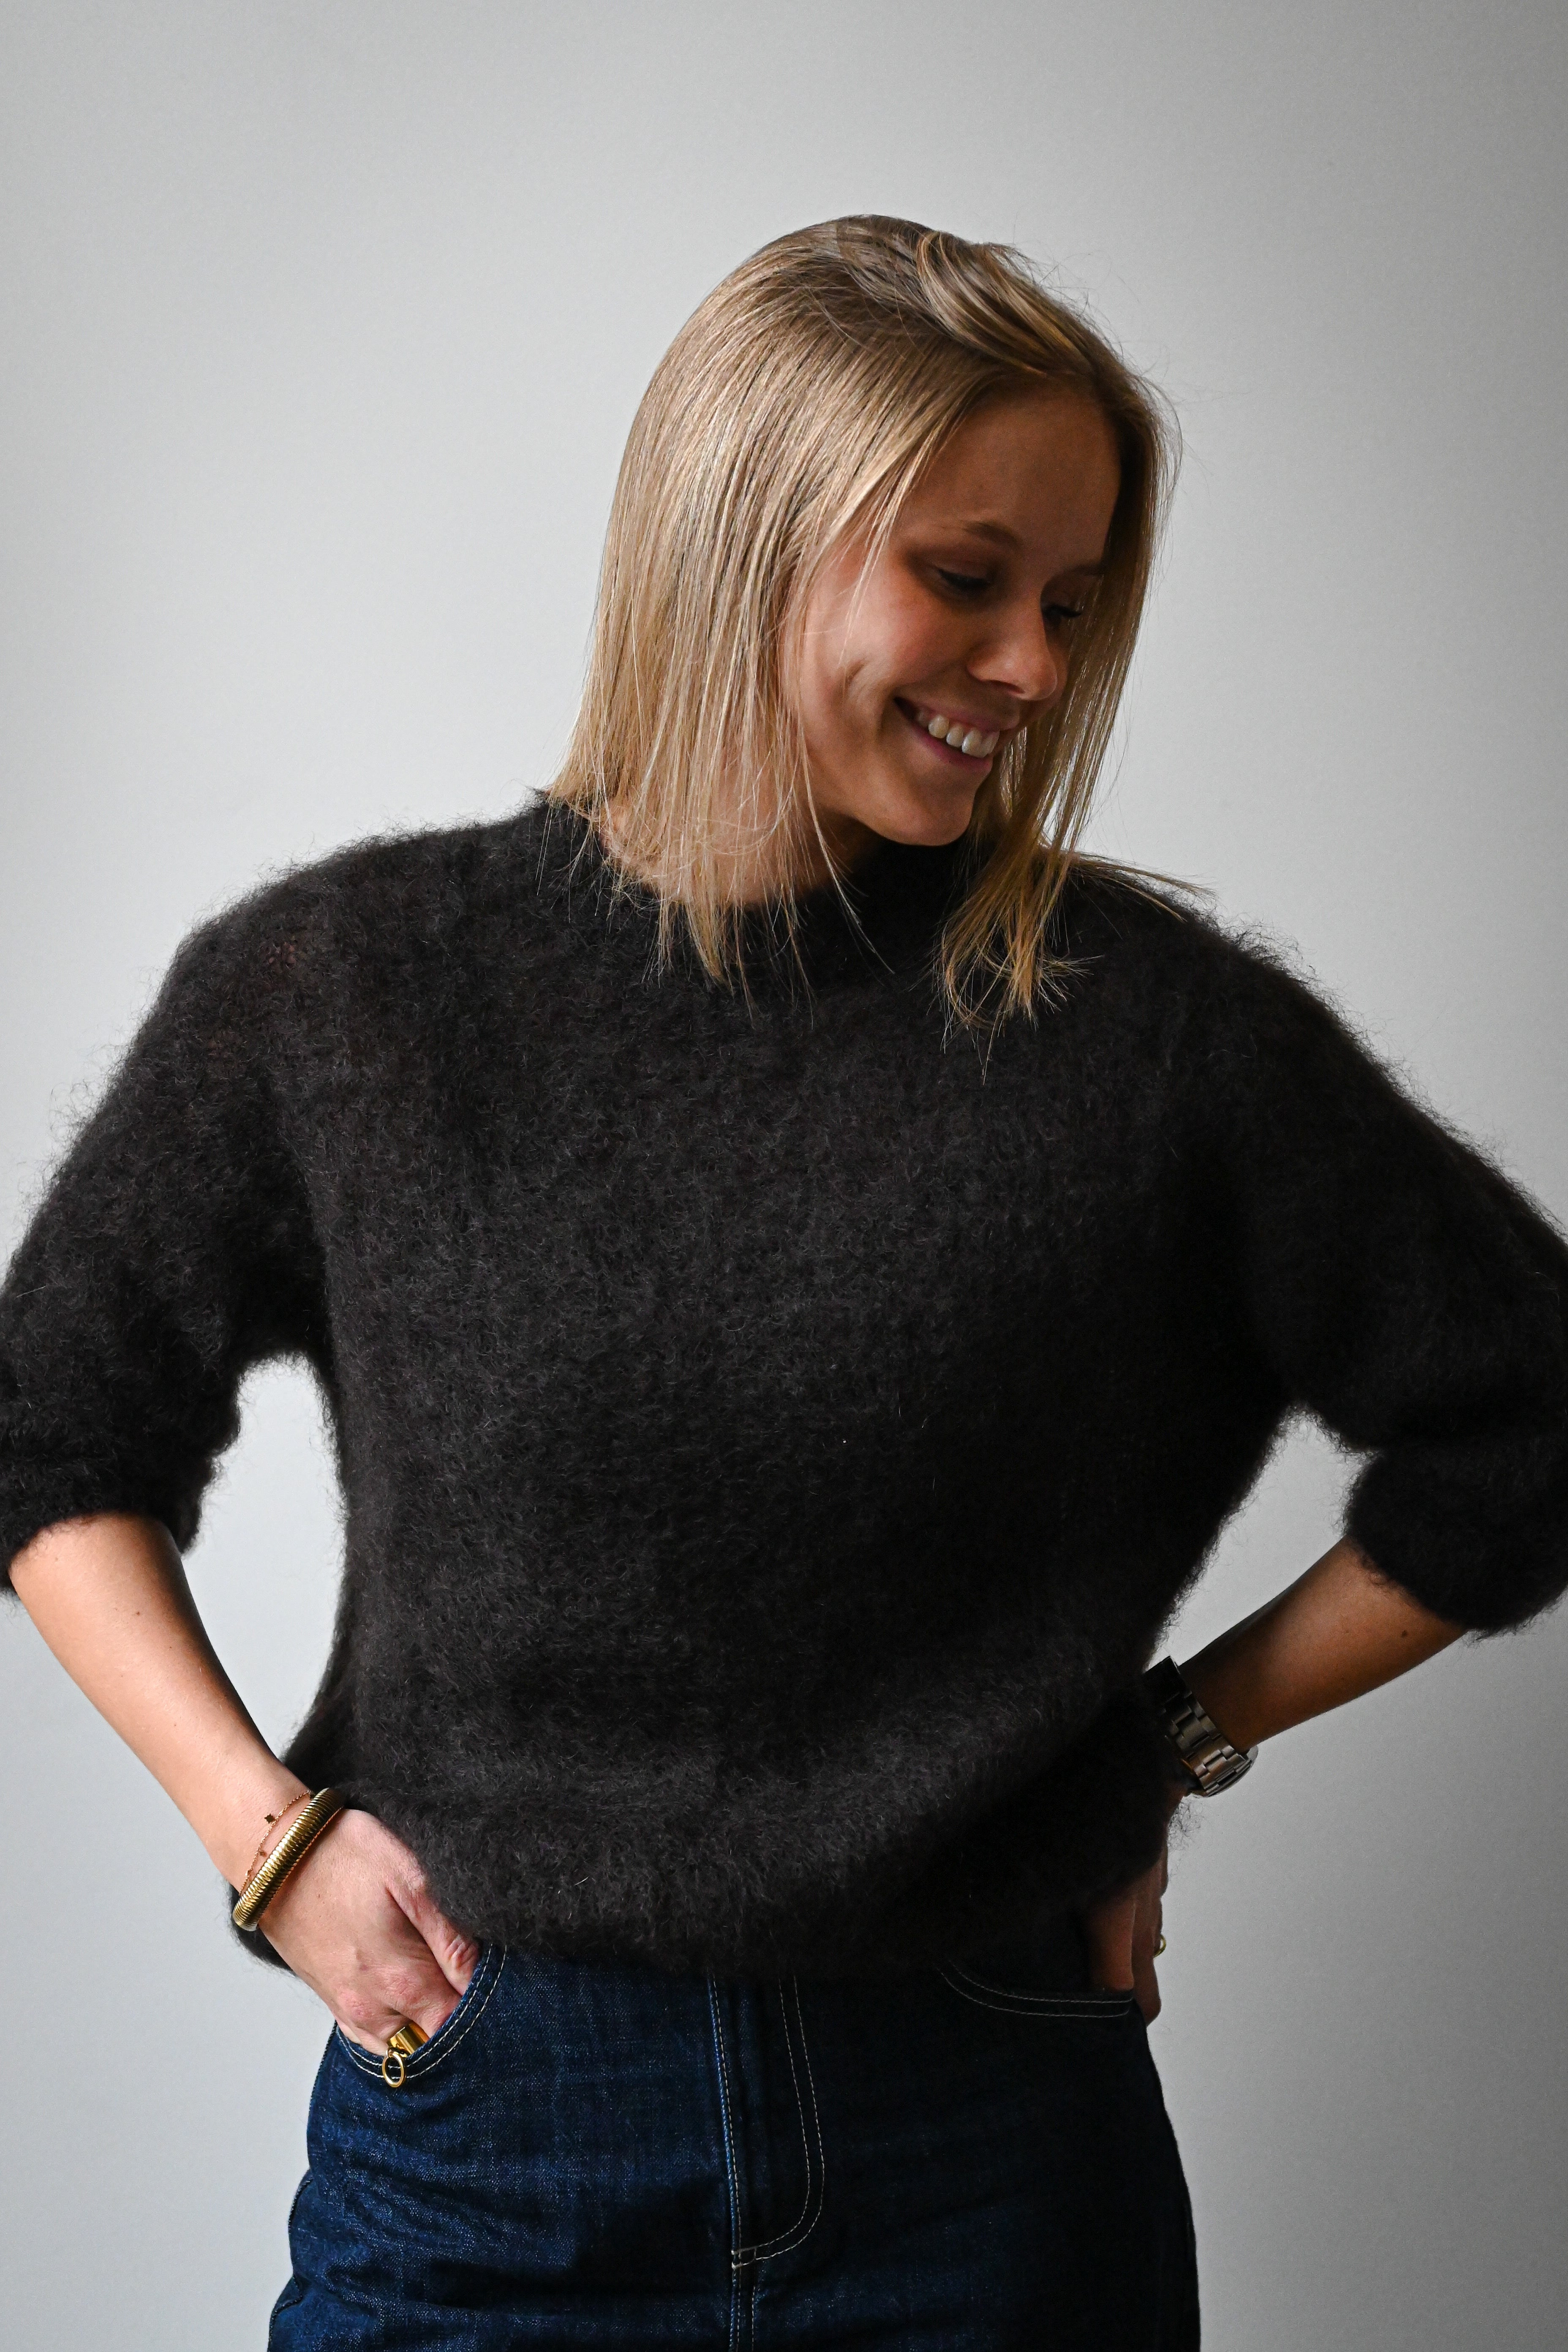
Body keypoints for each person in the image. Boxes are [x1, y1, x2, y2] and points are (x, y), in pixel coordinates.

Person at [2, 216, 1564, 2351]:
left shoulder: (1151, 1035)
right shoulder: (352, 993)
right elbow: (50, 1426)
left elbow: (1526, 1418)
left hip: (987, 2118)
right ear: (739, 539)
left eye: (1073, 602)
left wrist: (1175, 1741)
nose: (1034, 666)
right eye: (968, 576)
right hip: (489, 2120)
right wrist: (257, 1833)